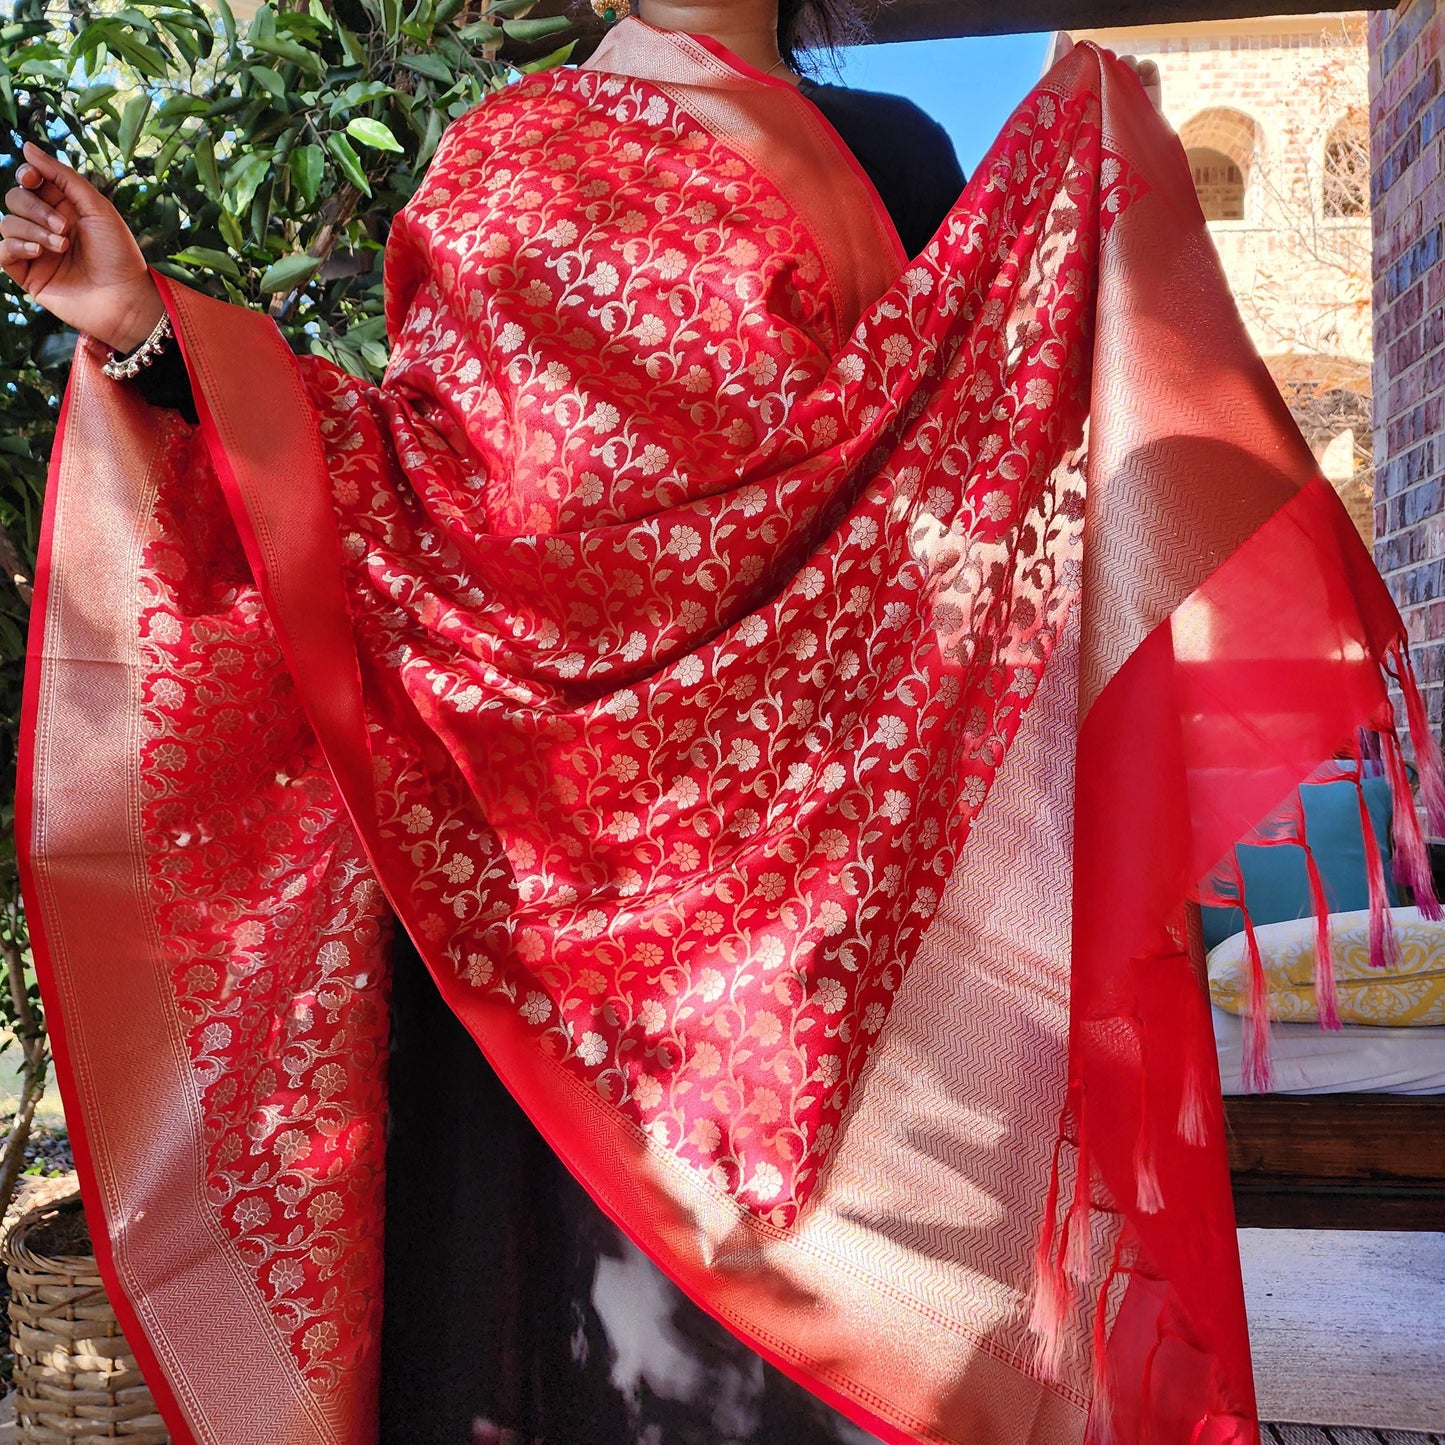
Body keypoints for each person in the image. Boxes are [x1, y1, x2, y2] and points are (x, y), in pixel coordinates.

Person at [3, 5, 1428, 1445]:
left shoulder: (894, 154)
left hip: (821, 913)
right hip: (514, 887)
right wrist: (140, 325)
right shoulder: (502, 142)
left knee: (815, 1377)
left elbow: (962, 499)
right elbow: (390, 484)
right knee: (531, 1353)